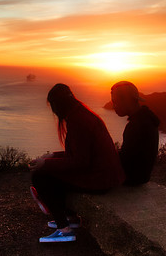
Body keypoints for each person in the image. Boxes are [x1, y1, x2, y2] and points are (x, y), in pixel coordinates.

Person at [30, 83, 124, 243]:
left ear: (58, 105)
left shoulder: (78, 121)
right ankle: (70, 219)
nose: (53, 111)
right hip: (103, 174)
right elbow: (79, 153)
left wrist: (45, 164)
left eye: (52, 106)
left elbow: (80, 162)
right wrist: (51, 156)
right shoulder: (81, 115)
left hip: (100, 179)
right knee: (49, 171)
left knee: (40, 177)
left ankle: (64, 228)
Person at [110, 81, 161, 186]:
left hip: (132, 179)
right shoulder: (147, 119)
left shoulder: (136, 125)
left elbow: (126, 160)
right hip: (142, 176)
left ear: (127, 101)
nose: (113, 107)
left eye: (115, 102)